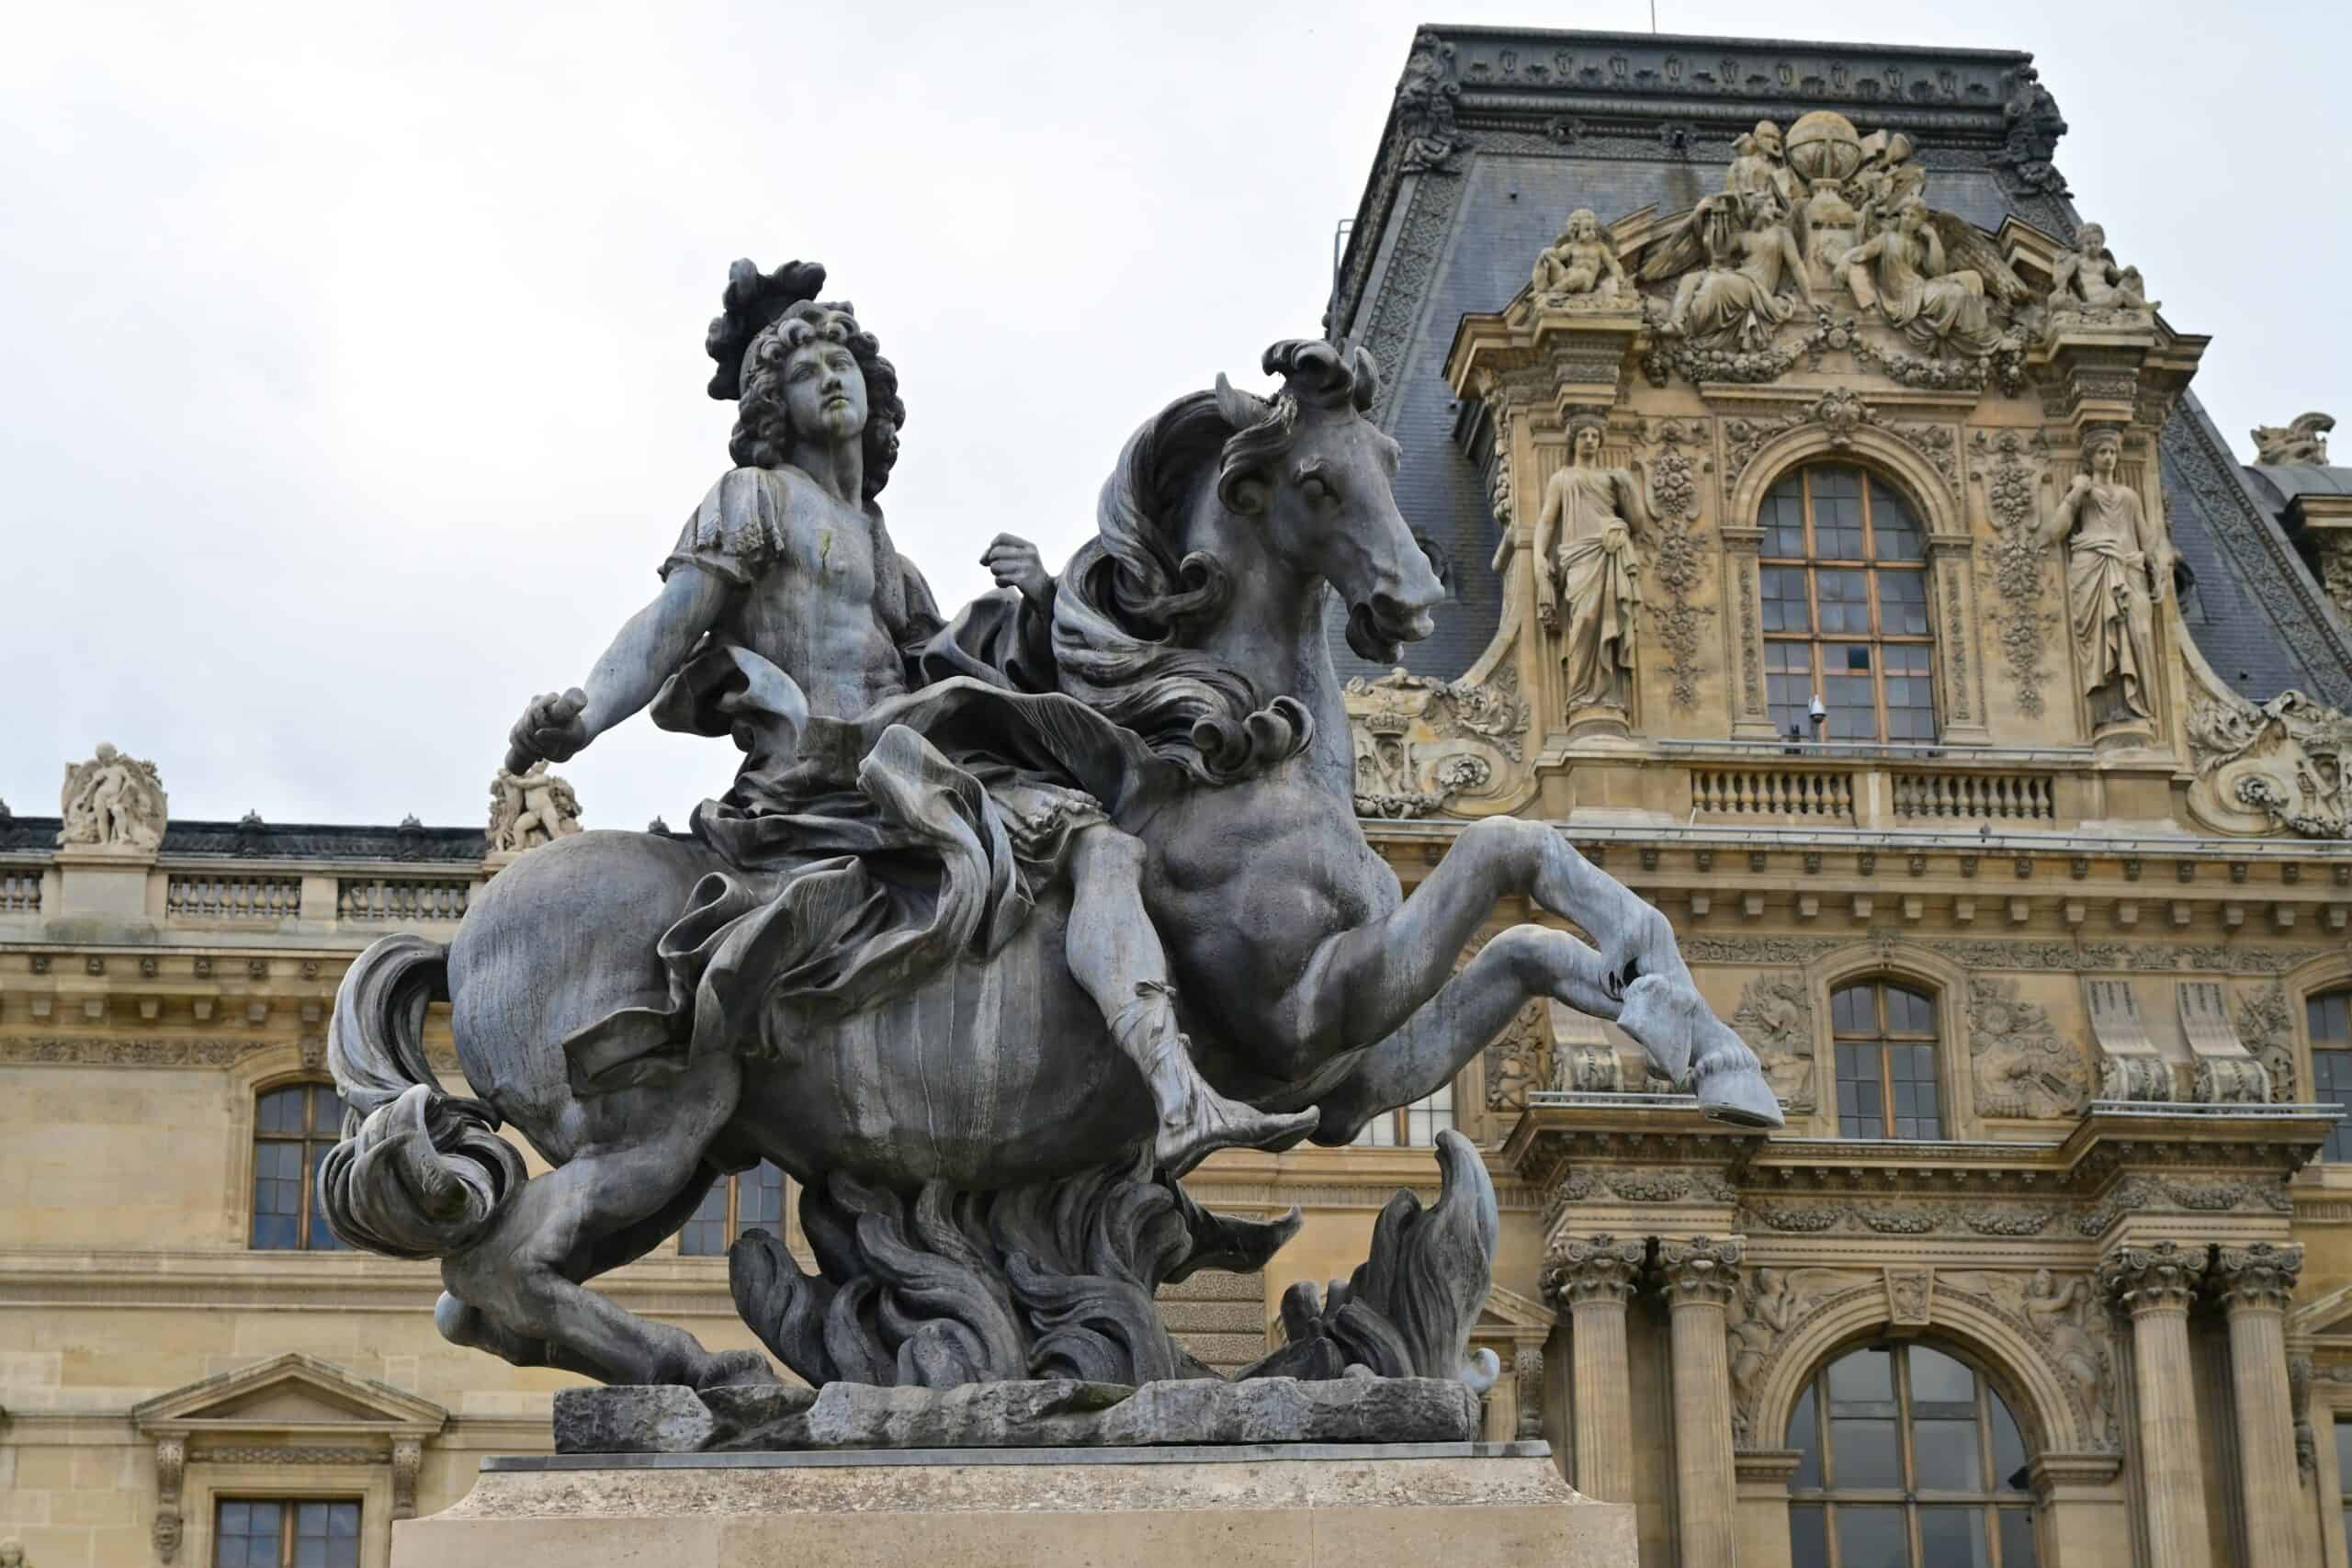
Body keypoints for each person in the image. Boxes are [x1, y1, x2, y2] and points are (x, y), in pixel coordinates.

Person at [505, 276, 1313, 1174]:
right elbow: (671, 623)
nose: (831, 380)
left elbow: (963, 671)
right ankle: (1174, 1091)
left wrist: (1041, 598)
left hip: (906, 757)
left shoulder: (885, 548)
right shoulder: (755, 498)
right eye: (807, 371)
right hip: (822, 774)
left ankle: (1148, 1085)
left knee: (1104, 832)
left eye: (842, 362)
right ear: (776, 405)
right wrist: (585, 710)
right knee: (1091, 842)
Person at [2040, 427, 2170, 728]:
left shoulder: (2129, 496)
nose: (2109, 458)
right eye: (2102, 452)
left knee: (2141, 634)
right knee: (2101, 643)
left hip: (2130, 570)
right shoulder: (2083, 493)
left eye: (2113, 452)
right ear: (2089, 457)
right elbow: (2055, 532)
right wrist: (2075, 493)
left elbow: (2146, 537)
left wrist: (2159, 566)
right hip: (2094, 571)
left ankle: (2141, 709)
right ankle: (2112, 711)